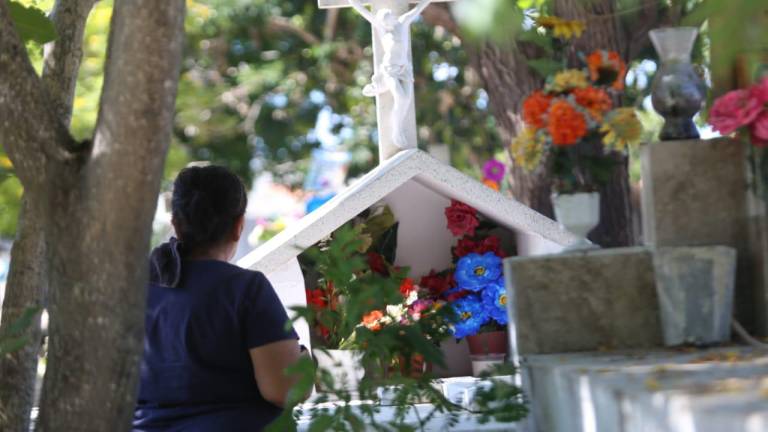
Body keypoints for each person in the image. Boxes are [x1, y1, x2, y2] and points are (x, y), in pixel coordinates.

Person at [133, 165, 308, 431]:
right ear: (239, 226)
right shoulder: (246, 289)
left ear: (176, 224)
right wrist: (304, 359)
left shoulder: (137, 291)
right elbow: (284, 390)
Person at [347, 0, 434, 149]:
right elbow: (365, 13)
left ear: (393, 18)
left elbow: (417, 9)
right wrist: (353, 2)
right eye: (384, 23)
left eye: (388, 21)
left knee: (406, 99)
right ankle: (396, 130)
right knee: (400, 97)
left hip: (405, 69)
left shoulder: (402, 23)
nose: (387, 25)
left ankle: (379, 88)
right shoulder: (382, 29)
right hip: (390, 70)